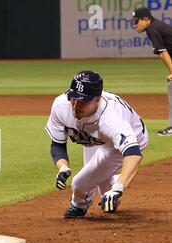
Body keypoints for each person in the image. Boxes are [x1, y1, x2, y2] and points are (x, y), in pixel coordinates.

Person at [45, 71, 149, 219]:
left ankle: (79, 206)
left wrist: (119, 188)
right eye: (73, 99)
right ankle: (110, 186)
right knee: (101, 184)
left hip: (128, 139)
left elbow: (133, 154)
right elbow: (57, 144)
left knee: (80, 183)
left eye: (82, 102)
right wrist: (62, 167)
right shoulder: (61, 106)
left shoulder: (111, 119)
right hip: (95, 138)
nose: (75, 106)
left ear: (97, 100)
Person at [133, 7, 172, 136]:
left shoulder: (152, 29)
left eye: (137, 21)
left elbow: (163, 53)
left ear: (145, 20)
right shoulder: (156, 26)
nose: (135, 25)